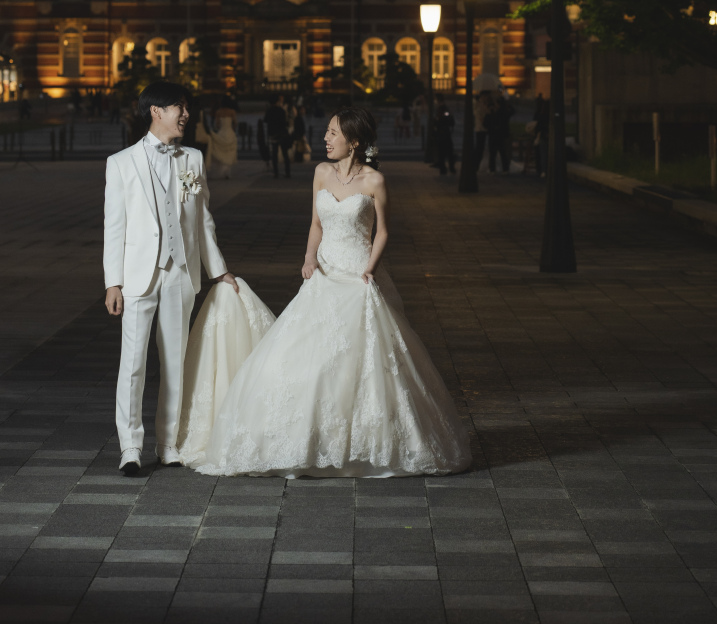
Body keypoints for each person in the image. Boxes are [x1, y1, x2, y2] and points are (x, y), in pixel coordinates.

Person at [177, 107, 471, 477]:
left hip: (357, 274)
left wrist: (370, 269)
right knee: (304, 355)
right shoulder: (320, 173)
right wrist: (308, 258)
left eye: (333, 133)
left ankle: (366, 441)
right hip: (325, 272)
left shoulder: (374, 181)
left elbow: (382, 232)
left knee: (363, 360)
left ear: (355, 141)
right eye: (328, 132)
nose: (326, 139)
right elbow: (316, 223)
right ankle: (307, 440)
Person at [103, 80, 238, 477]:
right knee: (133, 364)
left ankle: (169, 444)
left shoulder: (192, 160)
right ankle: (130, 446)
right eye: (179, 107)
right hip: (138, 277)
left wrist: (219, 271)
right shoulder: (121, 162)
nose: (186, 114)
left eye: (186, 107)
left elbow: (202, 220)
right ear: (155, 111)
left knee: (175, 361)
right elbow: (115, 227)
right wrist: (113, 281)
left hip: (181, 271)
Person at [207, 97, 238, 179]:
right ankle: (227, 172)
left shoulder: (219, 112)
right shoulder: (232, 111)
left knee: (222, 151)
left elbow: (217, 124)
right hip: (230, 132)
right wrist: (233, 130)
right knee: (230, 151)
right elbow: (235, 122)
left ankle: (222, 171)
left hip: (222, 132)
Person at [264, 94, 291, 178]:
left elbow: (265, 120)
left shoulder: (269, 111)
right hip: (282, 134)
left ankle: (276, 172)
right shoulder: (281, 110)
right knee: (285, 154)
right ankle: (287, 172)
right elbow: (285, 122)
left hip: (273, 134)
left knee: (274, 154)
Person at [435, 101, 457, 175]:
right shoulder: (438, 117)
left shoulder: (443, 117)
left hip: (444, 137)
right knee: (445, 154)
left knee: (446, 154)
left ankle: (447, 168)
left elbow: (452, 123)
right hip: (443, 137)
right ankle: (446, 168)